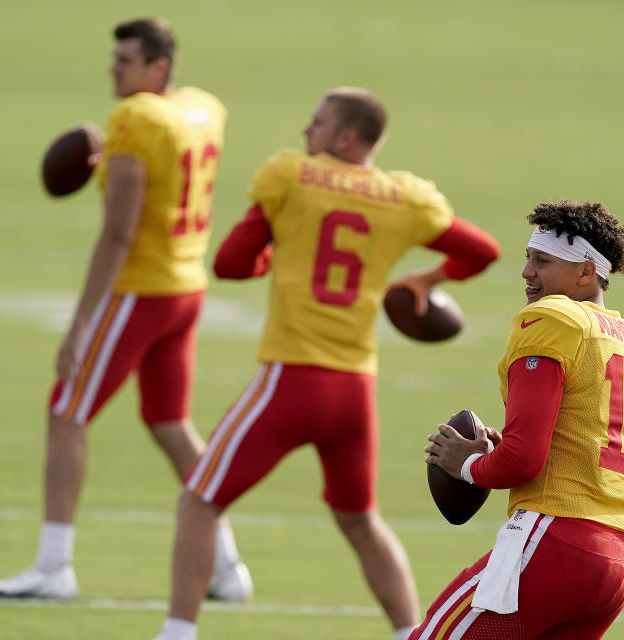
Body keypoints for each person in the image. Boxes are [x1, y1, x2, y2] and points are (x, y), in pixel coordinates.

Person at [151, 86, 501, 640]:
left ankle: (177, 632)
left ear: (345, 136)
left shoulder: (291, 176)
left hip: (291, 379)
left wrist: (279, 249)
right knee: (361, 520)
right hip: (354, 391)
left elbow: (231, 263)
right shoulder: (402, 196)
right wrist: (423, 280)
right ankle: (411, 632)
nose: (304, 133)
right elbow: (483, 251)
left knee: (198, 500)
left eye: (316, 123)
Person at [0, 18, 252, 601]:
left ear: (158, 66)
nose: (114, 67)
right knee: (169, 422)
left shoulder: (135, 121)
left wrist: (80, 323)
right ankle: (227, 568)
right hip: (186, 284)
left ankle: (54, 566)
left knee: (66, 410)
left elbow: (118, 235)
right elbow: (160, 168)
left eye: (126, 59)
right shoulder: (203, 108)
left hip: (141, 290)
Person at [413, 200, 624, 640]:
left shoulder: (553, 317)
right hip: (620, 559)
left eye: (543, 261)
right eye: (528, 258)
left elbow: (523, 462)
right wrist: (504, 445)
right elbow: (578, 435)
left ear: (586, 273)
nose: (527, 272)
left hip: (554, 541)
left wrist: (465, 464)